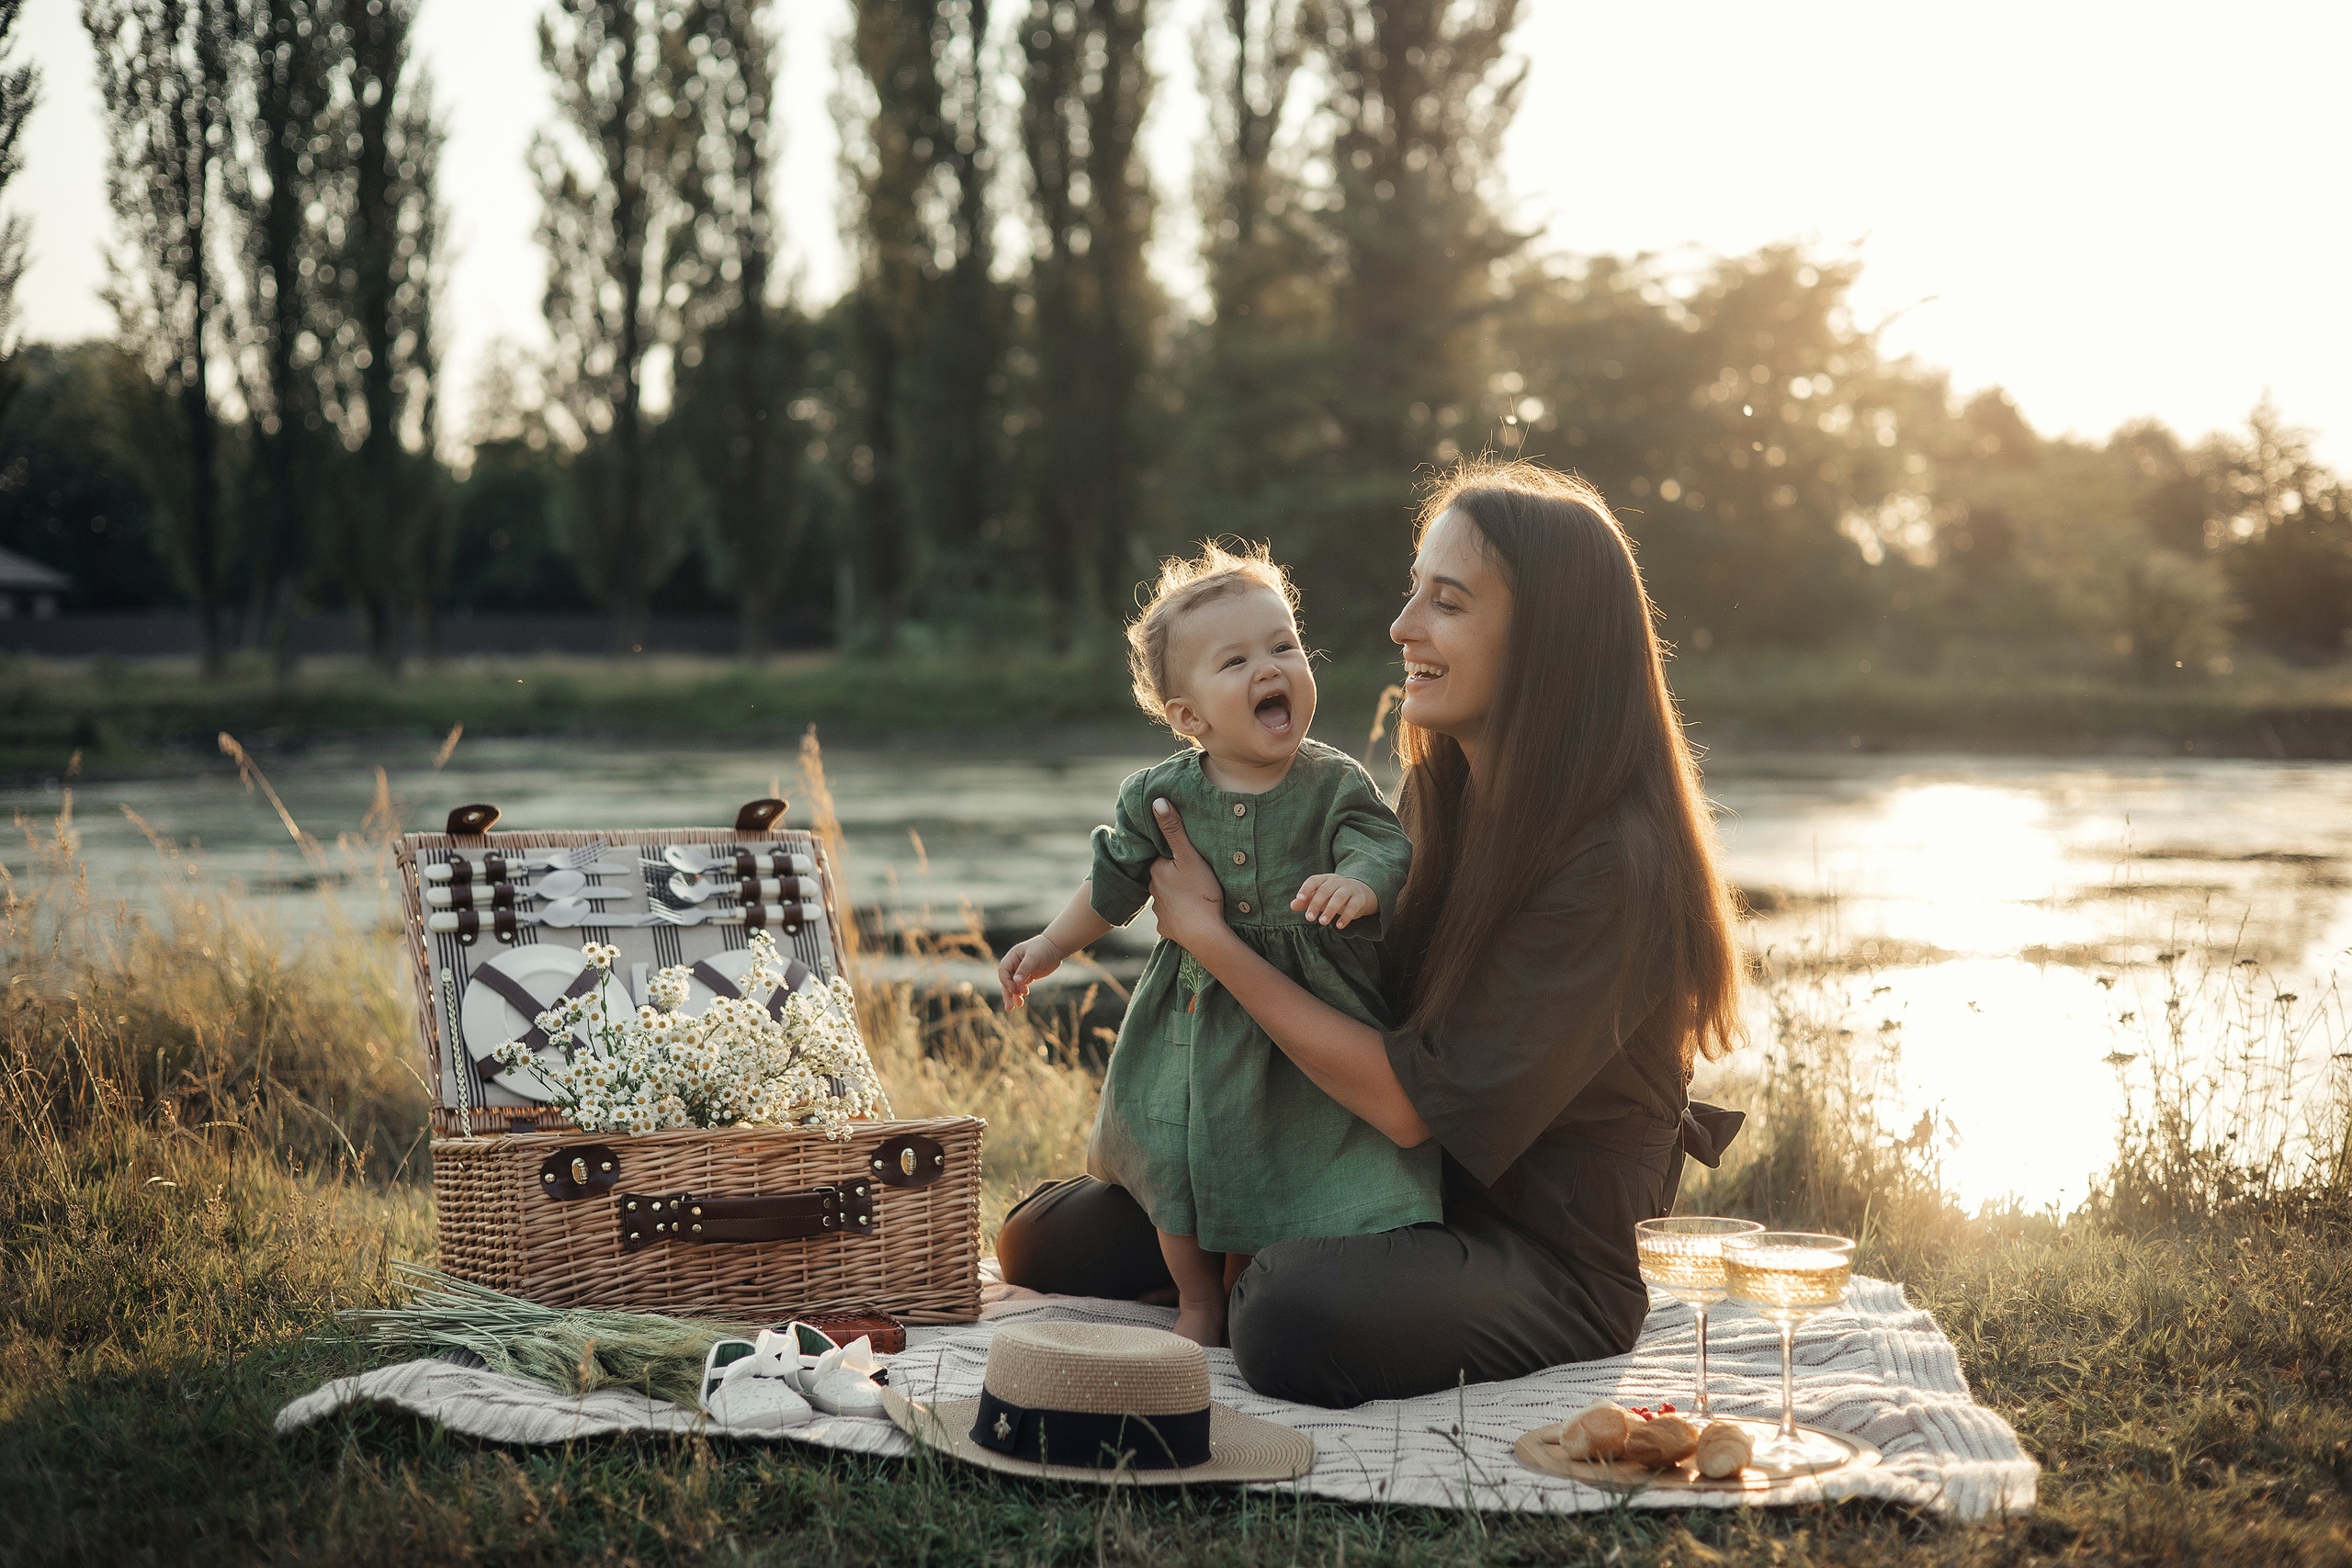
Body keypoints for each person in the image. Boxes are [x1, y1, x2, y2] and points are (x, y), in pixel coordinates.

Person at [994, 459, 1747, 1408]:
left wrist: (1207, 936)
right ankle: (1262, 1245)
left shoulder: (1612, 866)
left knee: (1285, 1314)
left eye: (1448, 602)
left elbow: (1404, 1104)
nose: (1402, 627)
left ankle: (1281, 1263)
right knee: (1041, 1240)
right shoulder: (1444, 792)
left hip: (1545, 1251)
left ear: (1547, 638)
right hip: (1378, 1177)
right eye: (1411, 592)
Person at [996, 541, 1441, 1348]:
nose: (1270, 667)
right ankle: (1196, 1299)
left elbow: (1381, 844)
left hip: (1303, 1021)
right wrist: (1052, 944)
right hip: (1193, 1021)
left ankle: (1252, 1283)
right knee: (1177, 1158)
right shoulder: (1161, 793)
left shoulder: (1333, 780)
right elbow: (1114, 881)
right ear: (1189, 716)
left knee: (1275, 1154)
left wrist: (1360, 884)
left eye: (1284, 646)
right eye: (1235, 660)